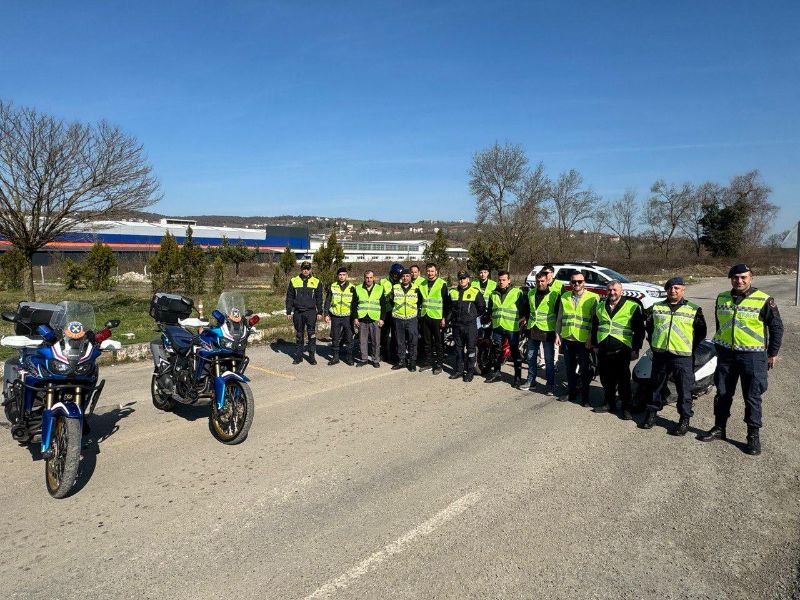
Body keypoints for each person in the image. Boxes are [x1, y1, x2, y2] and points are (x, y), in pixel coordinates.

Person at [699, 264, 783, 455]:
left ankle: (753, 436)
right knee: (722, 394)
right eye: (736, 277)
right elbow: (721, 324)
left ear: (751, 278)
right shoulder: (722, 298)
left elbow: (777, 328)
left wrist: (772, 353)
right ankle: (720, 428)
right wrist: (720, 347)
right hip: (727, 355)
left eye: (744, 277)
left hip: (753, 357)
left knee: (752, 396)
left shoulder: (764, 300)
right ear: (731, 279)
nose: (740, 281)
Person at [641, 276, 707, 434]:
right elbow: (649, 328)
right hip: (660, 355)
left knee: (684, 389)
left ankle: (684, 419)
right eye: (670, 288)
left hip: (682, 356)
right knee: (656, 386)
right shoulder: (656, 308)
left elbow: (700, 332)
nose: (673, 290)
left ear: (683, 290)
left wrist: (689, 347)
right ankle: (651, 414)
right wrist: (655, 344)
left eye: (677, 288)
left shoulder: (693, 309)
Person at [589, 279, 645, 419]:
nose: (612, 292)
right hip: (603, 349)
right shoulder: (601, 306)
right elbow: (596, 326)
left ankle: (626, 407)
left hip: (622, 349)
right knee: (606, 379)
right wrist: (595, 344)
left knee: (623, 380)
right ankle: (609, 403)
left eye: (615, 290)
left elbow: (639, 330)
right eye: (609, 290)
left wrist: (636, 349)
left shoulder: (631, 306)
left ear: (621, 291)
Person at [557, 271, 600, 405]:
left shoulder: (593, 297)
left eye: (579, 281)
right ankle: (572, 393)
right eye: (574, 281)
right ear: (570, 283)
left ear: (584, 282)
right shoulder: (564, 296)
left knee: (585, 370)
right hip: (568, 338)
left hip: (583, 340)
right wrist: (557, 334)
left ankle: (585, 397)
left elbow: (595, 321)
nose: (576, 284)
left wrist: (590, 339)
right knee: (569, 369)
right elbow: (560, 317)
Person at [485, 270, 528, 388]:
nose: (501, 282)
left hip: (511, 328)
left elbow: (524, 309)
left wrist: (523, 321)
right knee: (496, 351)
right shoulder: (493, 293)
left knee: (514, 353)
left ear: (509, 280)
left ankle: (517, 377)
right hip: (497, 326)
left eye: (504, 280)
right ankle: (497, 373)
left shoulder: (517, 292)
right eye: (499, 280)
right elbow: (490, 310)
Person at [524, 270, 560, 394]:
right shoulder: (531, 293)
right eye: (538, 281)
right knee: (530, 357)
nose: (540, 283)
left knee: (549, 361)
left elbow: (558, 315)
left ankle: (550, 385)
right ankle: (531, 381)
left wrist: (557, 333)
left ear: (547, 281)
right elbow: (528, 311)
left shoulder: (554, 295)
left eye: (542, 281)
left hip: (548, 330)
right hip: (533, 329)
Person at [447, 270, 486, 382]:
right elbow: (450, 308)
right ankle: (459, 371)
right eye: (460, 278)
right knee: (458, 350)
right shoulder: (453, 292)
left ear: (468, 279)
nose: (462, 280)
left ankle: (469, 371)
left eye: (464, 278)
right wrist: (449, 320)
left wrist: (471, 316)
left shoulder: (475, 291)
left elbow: (481, 307)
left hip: (470, 326)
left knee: (471, 350)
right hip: (457, 326)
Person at [285, 261, 323, 365]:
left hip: (311, 312)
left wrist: (319, 311)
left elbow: (319, 298)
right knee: (299, 335)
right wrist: (289, 311)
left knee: (311, 335)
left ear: (311, 270)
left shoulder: (316, 281)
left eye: (308, 268)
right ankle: (299, 356)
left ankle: (311, 357)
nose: (305, 270)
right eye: (304, 268)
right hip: (298, 312)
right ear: (301, 269)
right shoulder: (294, 281)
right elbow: (290, 297)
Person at [417, 263, 450, 375]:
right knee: (427, 342)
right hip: (425, 316)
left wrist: (444, 318)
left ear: (436, 271)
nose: (430, 273)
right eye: (428, 271)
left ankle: (439, 364)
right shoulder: (422, 284)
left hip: (437, 317)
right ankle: (428, 362)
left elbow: (446, 303)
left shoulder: (442, 284)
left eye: (432, 271)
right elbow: (420, 301)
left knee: (438, 342)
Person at [390, 268, 421, 371]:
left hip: (412, 318)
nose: (405, 278)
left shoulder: (416, 288)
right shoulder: (395, 287)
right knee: (400, 341)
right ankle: (401, 361)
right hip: (398, 319)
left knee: (413, 341)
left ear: (410, 277)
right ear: (401, 277)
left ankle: (412, 362)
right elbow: (391, 300)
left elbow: (420, 301)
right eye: (403, 276)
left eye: (407, 276)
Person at [352, 270, 385, 368]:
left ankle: (375, 360)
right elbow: (354, 305)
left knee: (376, 341)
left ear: (373, 278)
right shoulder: (357, 288)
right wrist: (355, 318)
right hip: (362, 319)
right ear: (364, 278)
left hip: (375, 319)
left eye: (371, 277)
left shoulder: (380, 288)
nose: (369, 279)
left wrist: (382, 319)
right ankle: (364, 359)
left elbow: (383, 305)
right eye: (367, 277)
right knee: (362, 341)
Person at [324, 266, 355, 366]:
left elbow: (355, 303)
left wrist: (355, 318)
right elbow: (328, 300)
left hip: (348, 317)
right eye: (340, 275)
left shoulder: (352, 287)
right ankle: (335, 357)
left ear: (347, 276)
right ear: (337, 276)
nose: (342, 277)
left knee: (349, 337)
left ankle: (349, 357)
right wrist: (326, 314)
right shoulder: (333, 286)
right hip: (335, 316)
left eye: (343, 275)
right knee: (335, 337)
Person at [379, 263, 404, 362]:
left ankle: (394, 355)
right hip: (386, 311)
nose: (396, 276)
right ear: (391, 273)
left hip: (397, 311)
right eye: (395, 274)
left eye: (398, 275)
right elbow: (378, 295)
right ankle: (383, 354)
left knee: (395, 335)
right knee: (384, 334)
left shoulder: (402, 282)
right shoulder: (383, 281)